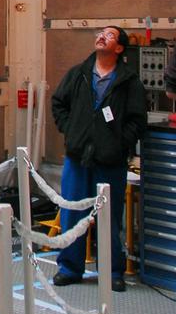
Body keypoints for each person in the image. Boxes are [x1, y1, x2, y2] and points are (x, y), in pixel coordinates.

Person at [51, 25, 147, 291]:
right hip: (77, 157)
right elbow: (58, 103)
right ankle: (69, 268)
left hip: (110, 162)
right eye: (101, 33)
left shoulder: (129, 82)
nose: (102, 37)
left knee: (109, 216)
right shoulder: (78, 74)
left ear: (118, 49)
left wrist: (118, 143)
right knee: (72, 213)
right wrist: (71, 130)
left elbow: (138, 121)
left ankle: (111, 270)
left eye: (110, 35)